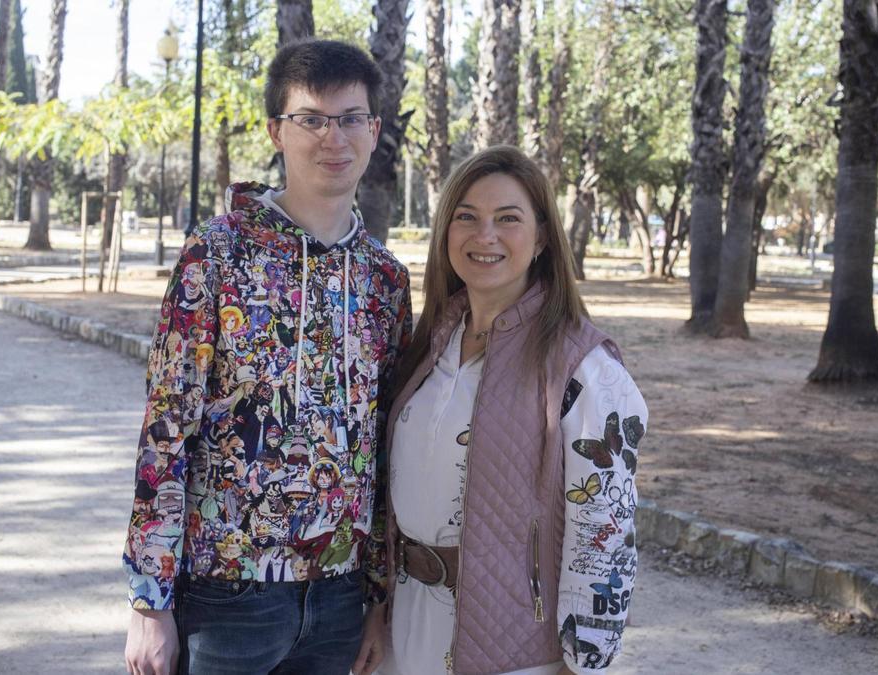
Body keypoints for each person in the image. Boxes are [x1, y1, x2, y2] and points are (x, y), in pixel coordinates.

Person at [123, 39, 412, 675]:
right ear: (277, 131)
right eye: (311, 119)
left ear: (375, 132)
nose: (332, 138)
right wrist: (150, 600)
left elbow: (385, 443)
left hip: (340, 599)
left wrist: (378, 598)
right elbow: (168, 429)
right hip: (227, 593)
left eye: (350, 119)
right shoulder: (217, 254)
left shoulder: (386, 280)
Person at [379, 146, 647, 675]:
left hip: (516, 647)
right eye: (467, 218)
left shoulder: (584, 366)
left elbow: (605, 527)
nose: (485, 236)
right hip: (407, 626)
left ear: (543, 237)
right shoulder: (431, 344)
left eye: (508, 219)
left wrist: (585, 662)